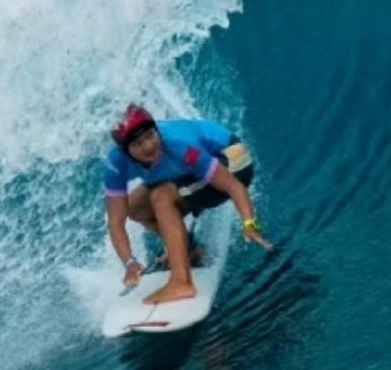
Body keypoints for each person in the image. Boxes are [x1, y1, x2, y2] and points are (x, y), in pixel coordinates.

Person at [103, 105, 275, 310]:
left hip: (234, 162)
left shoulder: (179, 146)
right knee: (135, 207)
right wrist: (130, 262)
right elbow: (115, 222)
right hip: (191, 172)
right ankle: (188, 250)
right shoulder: (115, 164)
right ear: (126, 152)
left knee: (161, 196)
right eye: (138, 143)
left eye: (150, 135)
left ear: (156, 130)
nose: (148, 145)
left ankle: (181, 282)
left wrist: (249, 222)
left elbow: (233, 186)